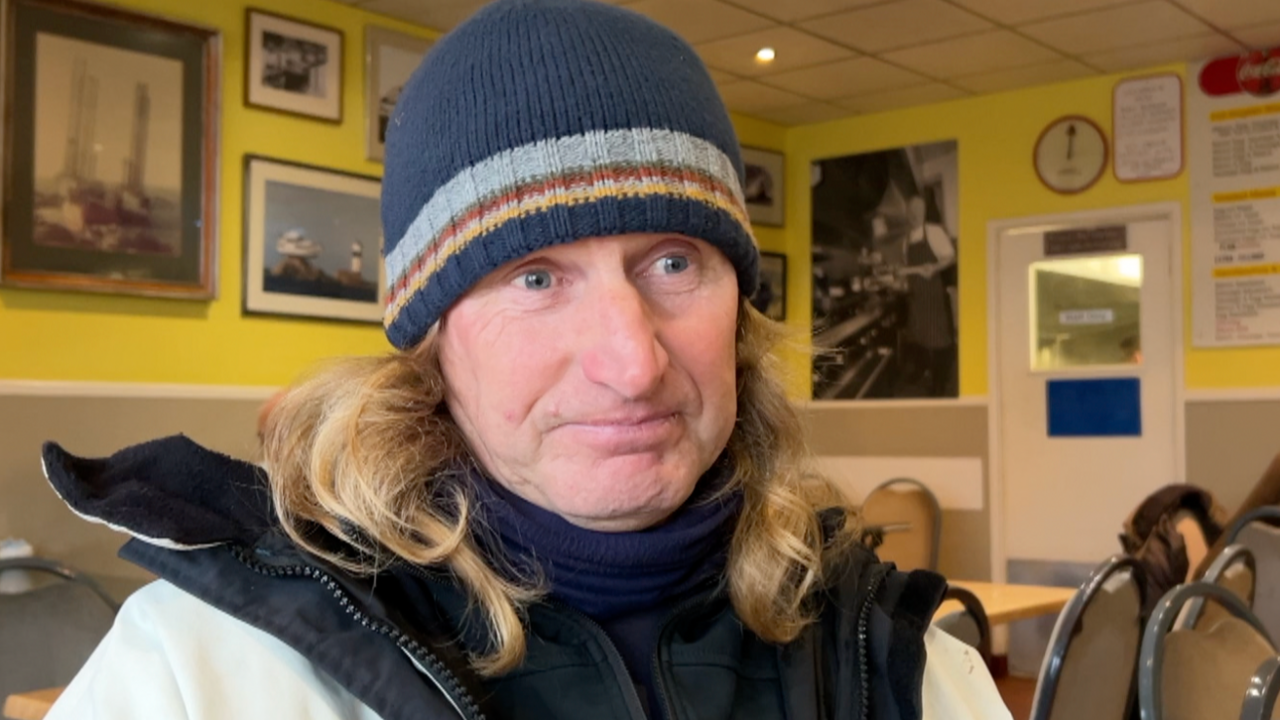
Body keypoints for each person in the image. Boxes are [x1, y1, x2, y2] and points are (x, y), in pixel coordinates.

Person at [40, 1, 1009, 718]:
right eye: (533, 278)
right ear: (431, 347)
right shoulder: (208, 673)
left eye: (672, 262)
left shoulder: (905, 664)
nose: (631, 363)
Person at [899, 195, 957, 397]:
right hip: (916, 297)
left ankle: (940, 382)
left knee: (938, 338)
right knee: (919, 336)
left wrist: (934, 267)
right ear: (907, 214)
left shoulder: (933, 231)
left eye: (918, 210)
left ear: (923, 212)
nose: (914, 214)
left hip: (932, 294)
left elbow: (950, 257)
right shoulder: (905, 241)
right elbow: (909, 269)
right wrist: (901, 279)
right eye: (911, 211)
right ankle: (922, 372)